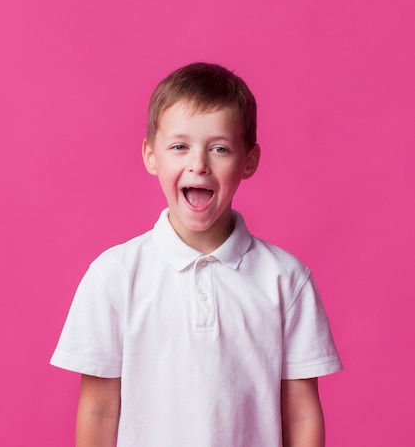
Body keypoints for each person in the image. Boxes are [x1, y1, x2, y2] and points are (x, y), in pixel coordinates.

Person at [51, 62, 342, 447]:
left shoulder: (287, 280)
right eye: (179, 146)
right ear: (151, 155)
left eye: (219, 148)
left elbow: (302, 413)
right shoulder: (114, 276)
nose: (199, 164)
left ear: (248, 161)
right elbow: (99, 409)